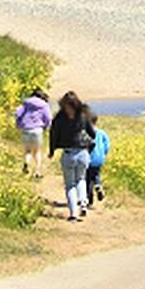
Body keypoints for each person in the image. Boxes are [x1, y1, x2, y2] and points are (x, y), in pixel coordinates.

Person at [49, 91, 95, 222]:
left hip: (68, 153)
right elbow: (92, 133)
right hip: (82, 153)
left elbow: (54, 134)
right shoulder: (83, 116)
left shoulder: (59, 117)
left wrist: (52, 150)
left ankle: (73, 213)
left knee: (70, 185)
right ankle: (83, 203)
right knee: (81, 179)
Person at [14, 88, 52, 179]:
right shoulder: (44, 105)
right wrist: (46, 126)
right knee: (37, 152)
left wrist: (19, 124)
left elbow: (17, 113)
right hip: (37, 130)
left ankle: (26, 163)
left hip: (26, 129)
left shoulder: (25, 103)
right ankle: (37, 172)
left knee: (28, 151)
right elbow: (48, 118)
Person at [86, 108, 110, 207]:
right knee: (96, 174)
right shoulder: (102, 133)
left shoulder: (86, 133)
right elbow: (107, 145)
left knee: (88, 179)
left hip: (88, 160)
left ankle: (90, 200)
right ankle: (98, 186)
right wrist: (104, 154)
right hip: (99, 159)